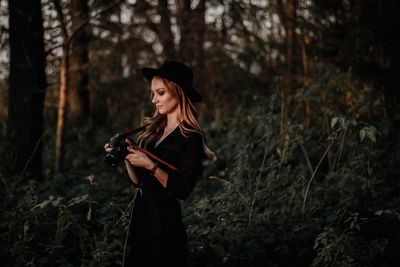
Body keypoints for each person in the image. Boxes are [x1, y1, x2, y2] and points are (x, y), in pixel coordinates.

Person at [104, 61, 215, 266]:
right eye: (153, 93)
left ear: (178, 92)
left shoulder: (191, 138)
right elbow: (139, 183)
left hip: (164, 223)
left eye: (160, 93)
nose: (154, 99)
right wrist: (127, 156)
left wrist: (150, 165)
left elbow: (182, 190)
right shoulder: (152, 132)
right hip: (141, 217)